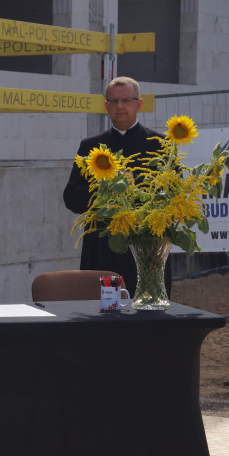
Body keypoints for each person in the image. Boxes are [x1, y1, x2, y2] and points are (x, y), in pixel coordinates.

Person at [63, 76, 171, 296]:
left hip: (146, 247)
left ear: (138, 104)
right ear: (106, 106)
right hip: (102, 249)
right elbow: (71, 197)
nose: (120, 106)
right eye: (113, 101)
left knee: (149, 318)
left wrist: (134, 185)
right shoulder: (90, 146)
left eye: (126, 100)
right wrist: (105, 187)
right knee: (103, 318)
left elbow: (171, 195)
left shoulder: (160, 145)